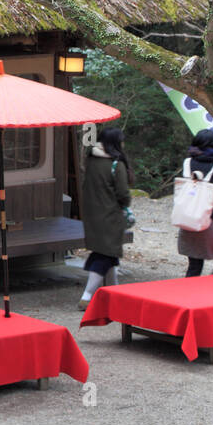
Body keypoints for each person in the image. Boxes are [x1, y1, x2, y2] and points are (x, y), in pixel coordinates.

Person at [78, 127, 134, 309]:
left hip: (92, 214)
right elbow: (123, 194)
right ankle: (86, 297)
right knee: (106, 254)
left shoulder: (91, 159)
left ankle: (114, 294)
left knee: (108, 253)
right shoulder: (116, 164)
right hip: (110, 215)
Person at [177, 129, 213, 277]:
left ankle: (187, 297)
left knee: (195, 264)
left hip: (189, 219)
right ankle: (211, 293)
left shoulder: (187, 163)